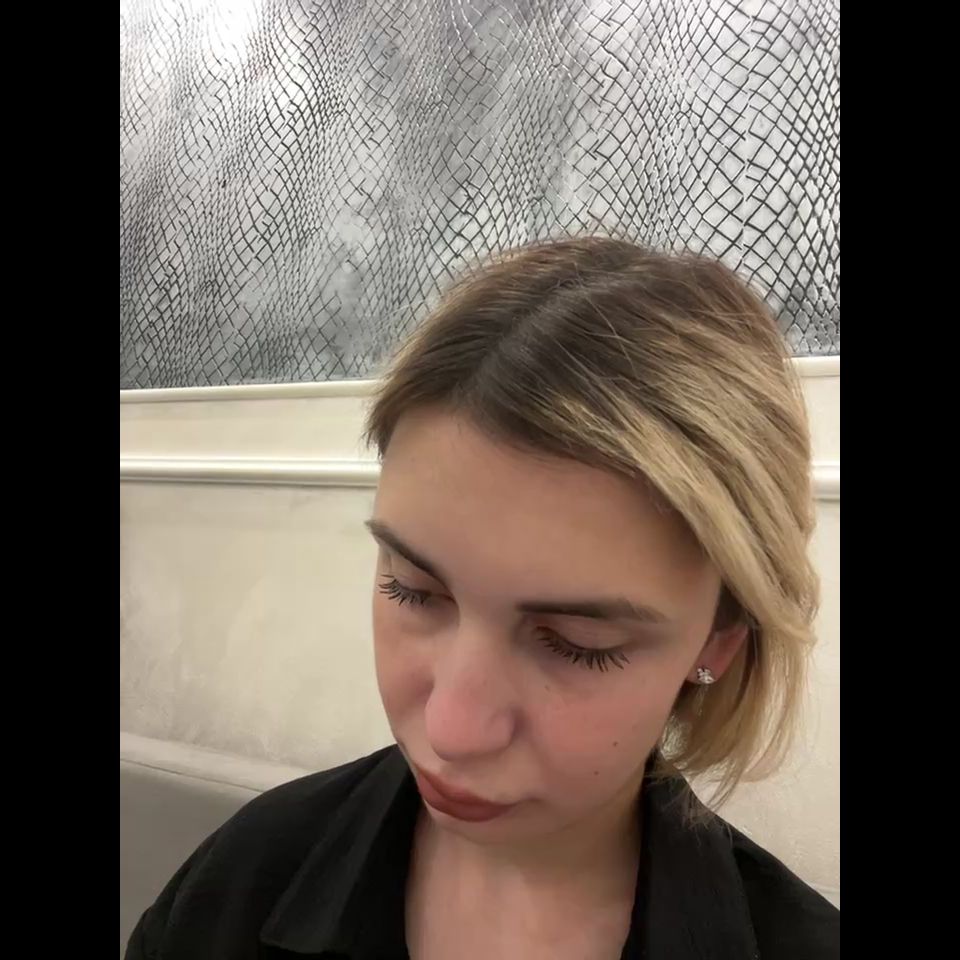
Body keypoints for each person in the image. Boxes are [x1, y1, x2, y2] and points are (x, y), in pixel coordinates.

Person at [125, 236, 839, 959]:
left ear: (717, 641)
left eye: (576, 644)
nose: (452, 730)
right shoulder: (241, 880)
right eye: (411, 589)